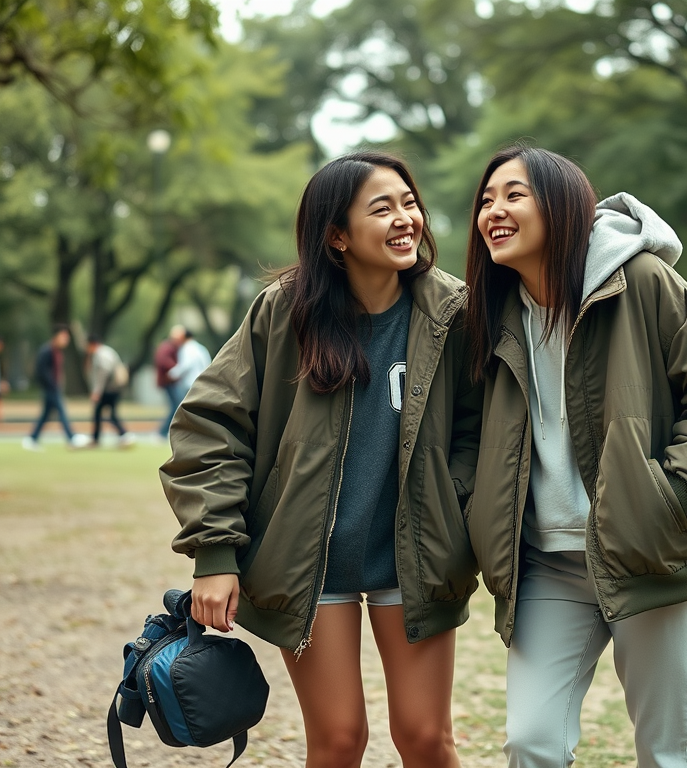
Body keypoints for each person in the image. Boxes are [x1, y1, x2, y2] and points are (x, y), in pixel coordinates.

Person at [462, 145, 687, 768]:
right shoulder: (490, 313)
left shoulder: (640, 282)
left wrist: (673, 501)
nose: (493, 211)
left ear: (561, 207)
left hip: (651, 556)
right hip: (546, 567)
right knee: (532, 742)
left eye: (513, 195)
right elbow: (471, 433)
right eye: (485, 200)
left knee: (668, 751)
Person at [160, 152, 481, 768]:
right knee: (337, 741)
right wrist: (214, 553)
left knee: (425, 739)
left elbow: (478, 427)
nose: (405, 219)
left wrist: (454, 501)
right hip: (311, 561)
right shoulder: (284, 313)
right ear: (336, 235)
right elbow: (210, 426)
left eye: (409, 203)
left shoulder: (452, 314)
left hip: (413, 559)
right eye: (382, 208)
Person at [23, 325, 89, 451]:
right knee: (61, 412)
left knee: (46, 415)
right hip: (50, 388)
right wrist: (51, 384)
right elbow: (40, 371)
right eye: (63, 337)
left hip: (54, 387)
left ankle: (32, 438)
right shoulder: (47, 351)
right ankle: (71, 437)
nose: (66, 340)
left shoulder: (56, 351)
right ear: (56, 336)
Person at [85, 334, 133, 447]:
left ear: (92, 344)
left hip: (109, 389)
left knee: (103, 413)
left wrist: (97, 391)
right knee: (107, 413)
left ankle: (122, 434)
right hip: (115, 387)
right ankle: (122, 435)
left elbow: (103, 373)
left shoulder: (100, 354)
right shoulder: (108, 351)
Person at [154, 325, 186, 437]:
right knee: (176, 405)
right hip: (168, 381)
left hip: (169, 381)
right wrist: (176, 368)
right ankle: (162, 432)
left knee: (175, 405)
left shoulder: (169, 346)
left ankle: (164, 432)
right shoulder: (168, 347)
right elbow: (162, 360)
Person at [166, 329, 210, 396]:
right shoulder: (201, 348)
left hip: (190, 383)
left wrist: (172, 374)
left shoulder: (186, 349)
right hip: (203, 383)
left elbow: (185, 365)